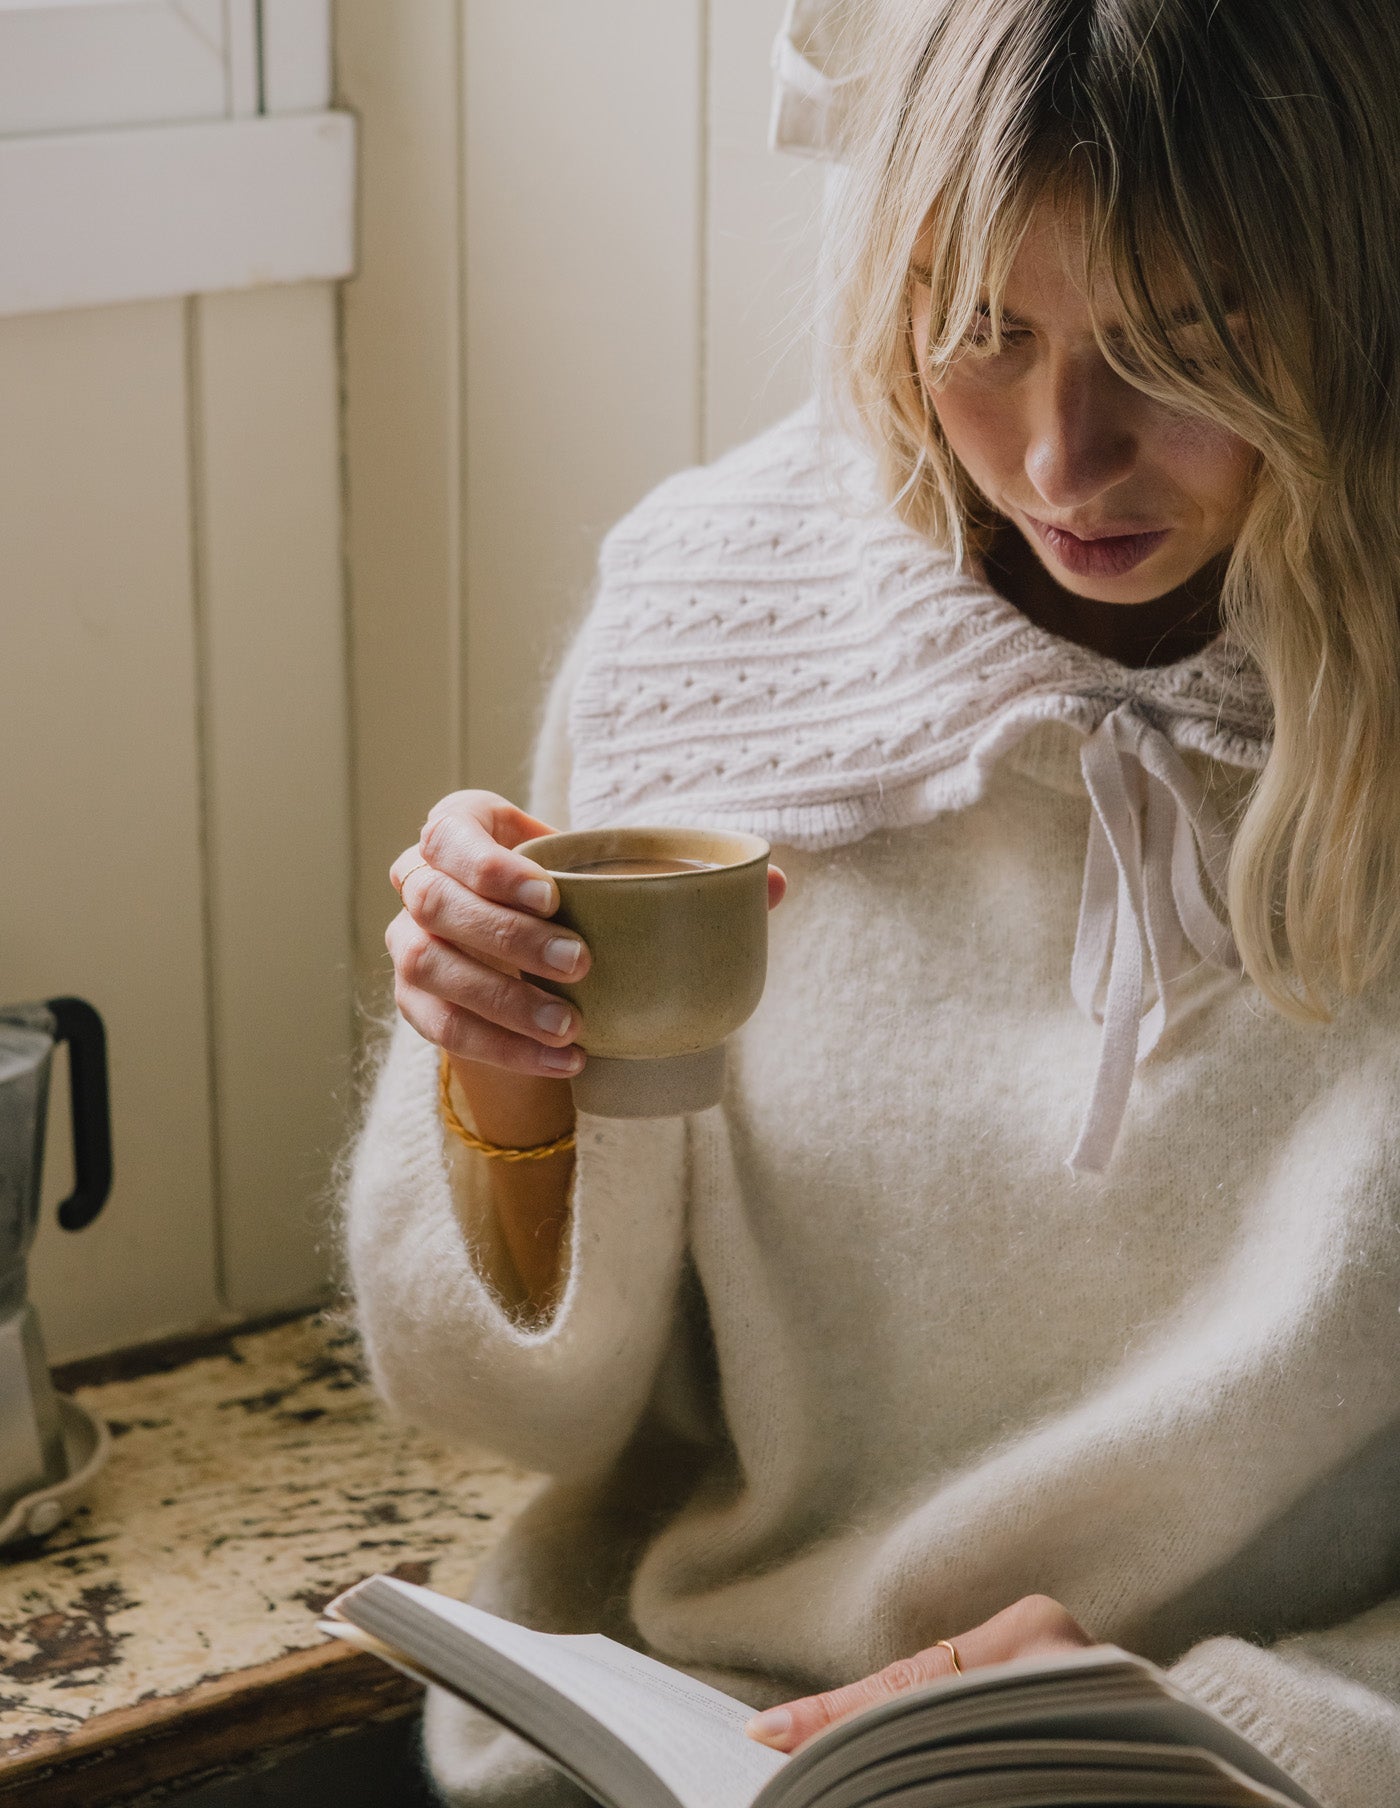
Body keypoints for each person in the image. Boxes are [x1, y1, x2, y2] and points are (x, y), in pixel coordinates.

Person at [342, 1, 1400, 1802]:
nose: (1062, 456)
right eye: (981, 325)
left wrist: (1227, 1746)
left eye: (1184, 344)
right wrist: (505, 1076)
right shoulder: (713, 618)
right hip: (714, 1740)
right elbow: (508, 1408)